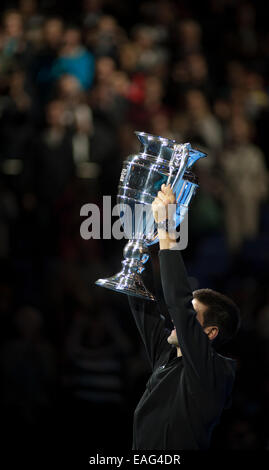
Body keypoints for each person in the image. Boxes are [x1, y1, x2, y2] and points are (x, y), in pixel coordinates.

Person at [128, 184, 241, 450]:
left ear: (210, 332)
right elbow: (143, 303)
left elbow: (178, 304)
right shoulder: (166, 357)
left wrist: (166, 226)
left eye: (192, 315)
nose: (177, 319)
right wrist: (141, 238)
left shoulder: (213, 372)